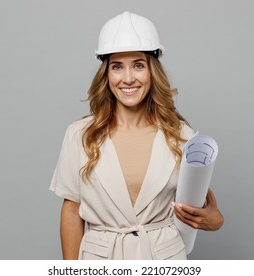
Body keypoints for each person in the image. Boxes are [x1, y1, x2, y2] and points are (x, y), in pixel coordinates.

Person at [50, 11, 224, 260]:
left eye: (138, 65)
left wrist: (215, 221)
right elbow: (71, 210)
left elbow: (200, 207)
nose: (128, 78)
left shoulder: (182, 136)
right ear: (106, 74)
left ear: (152, 71)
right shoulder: (79, 135)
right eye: (117, 66)